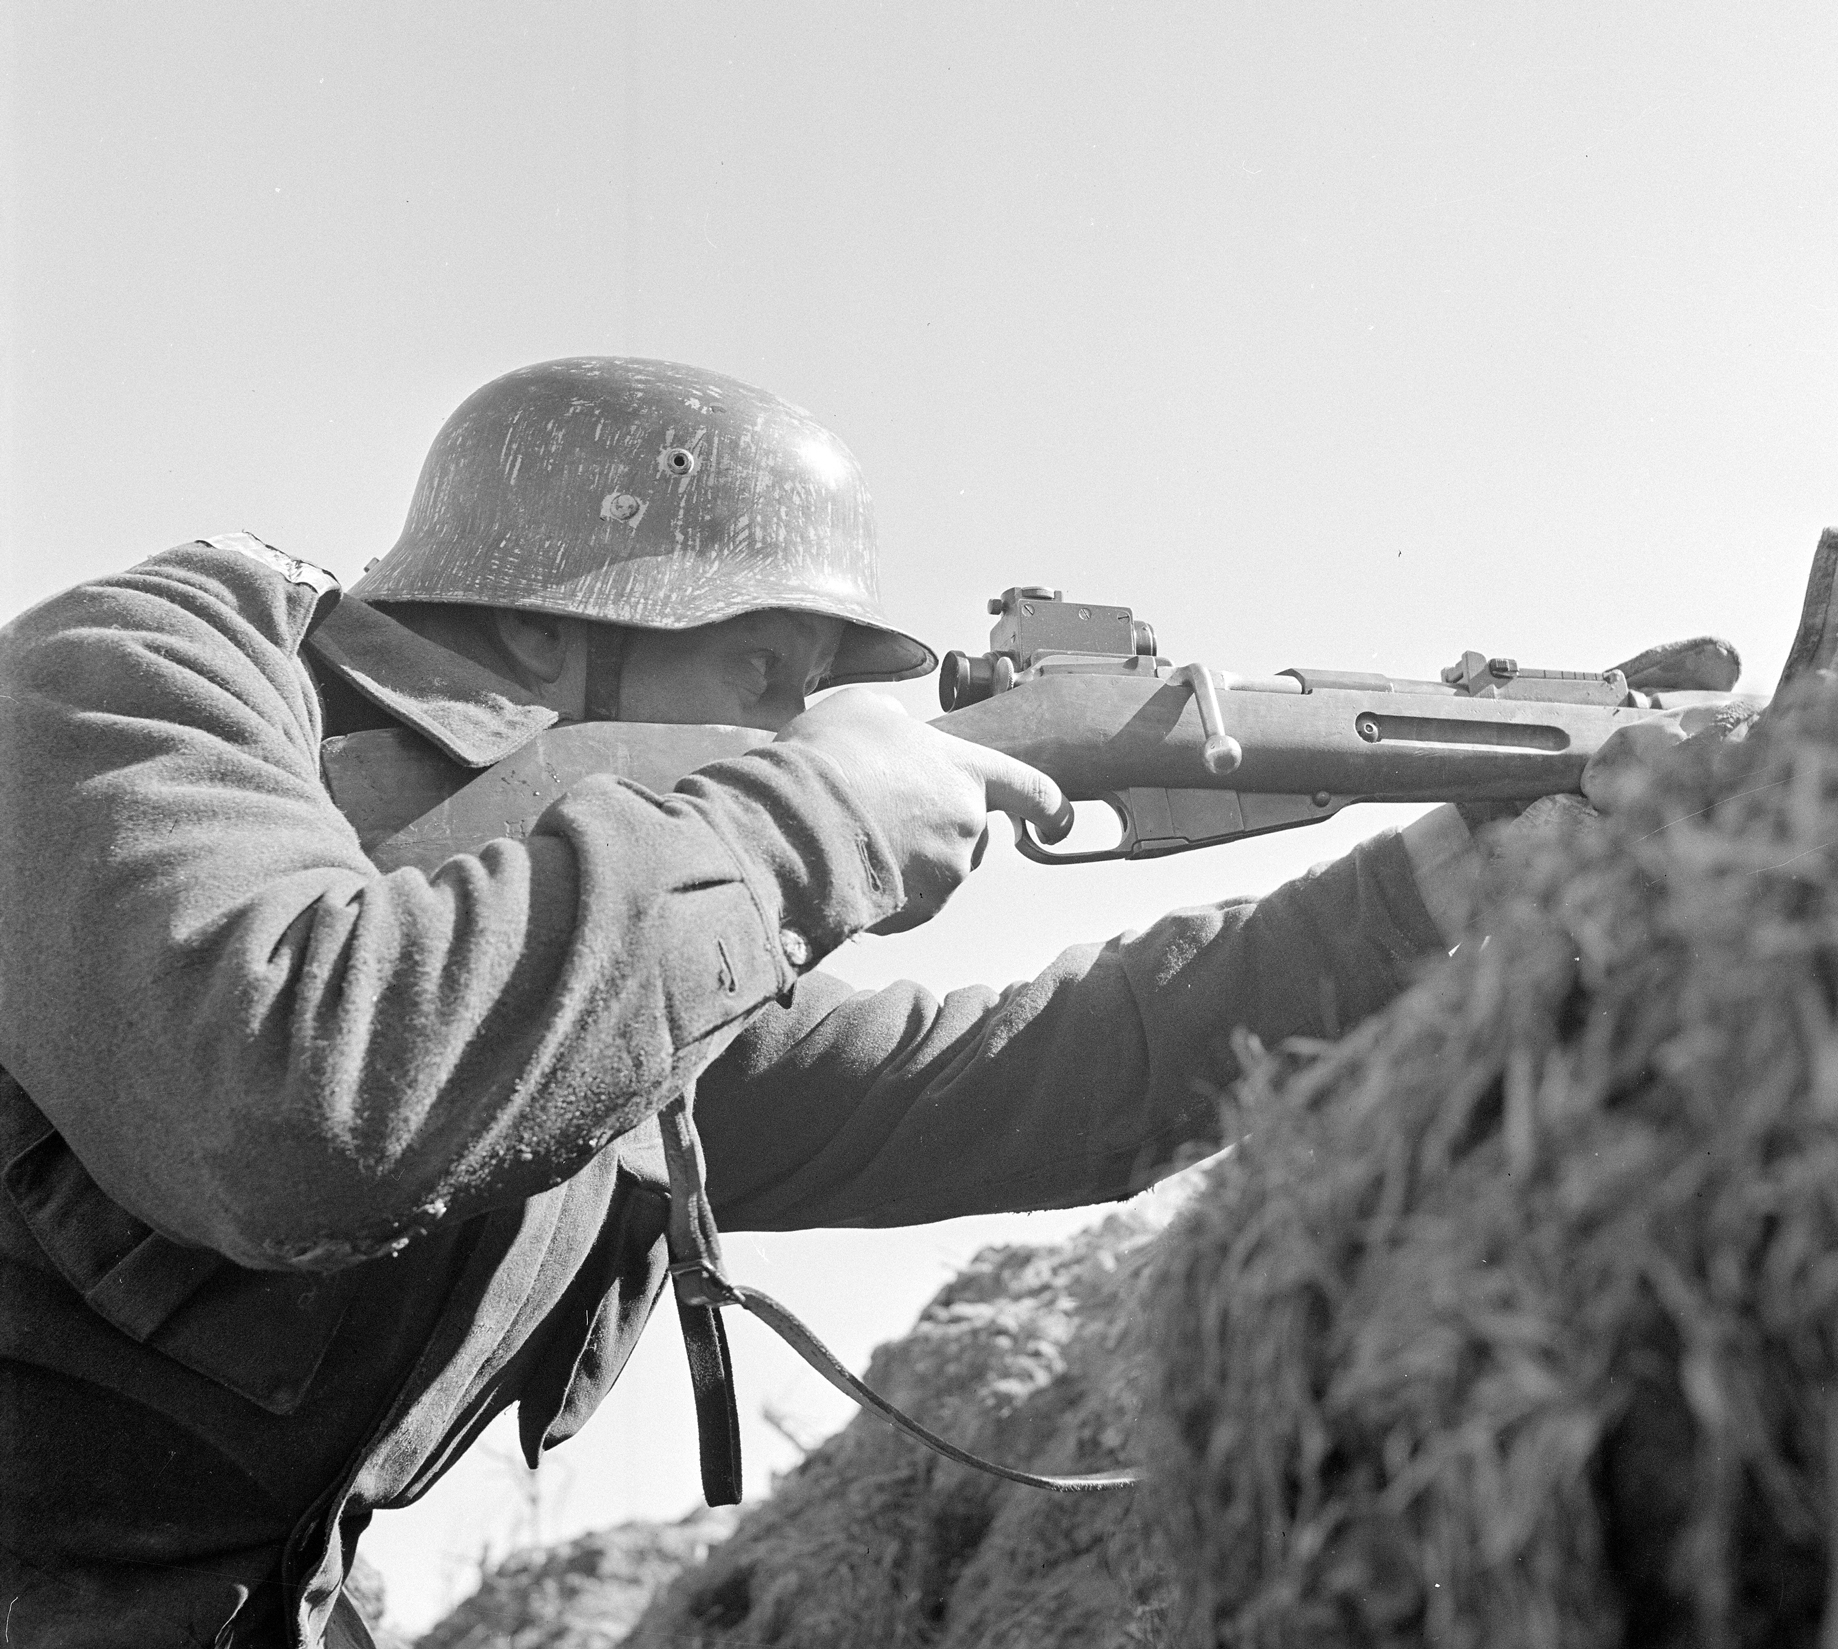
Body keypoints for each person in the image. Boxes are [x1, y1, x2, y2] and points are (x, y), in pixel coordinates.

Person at [0, 357, 1509, 1648]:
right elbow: (291, 1099)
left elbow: (1027, 1083)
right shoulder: (146, 668)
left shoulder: (594, 970)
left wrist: (1429, 889)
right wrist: (811, 824)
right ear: (548, 627)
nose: (803, 727)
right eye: (767, 667)